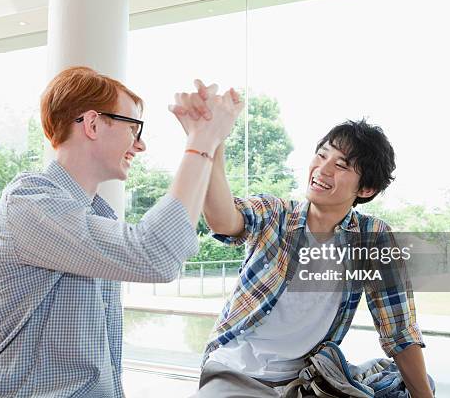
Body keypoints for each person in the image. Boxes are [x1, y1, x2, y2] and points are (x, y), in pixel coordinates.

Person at [0, 67, 243, 397]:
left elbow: (168, 246)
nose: (139, 146)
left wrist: (209, 140)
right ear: (93, 124)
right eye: (133, 129)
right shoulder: (28, 205)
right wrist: (202, 140)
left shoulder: (97, 214)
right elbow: (155, 256)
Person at [170, 82, 434, 398]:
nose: (322, 169)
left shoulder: (372, 239)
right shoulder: (275, 214)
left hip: (307, 379)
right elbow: (223, 219)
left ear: (365, 189)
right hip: (237, 372)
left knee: (416, 383)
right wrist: (214, 138)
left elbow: (399, 331)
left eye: (341, 166)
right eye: (321, 156)